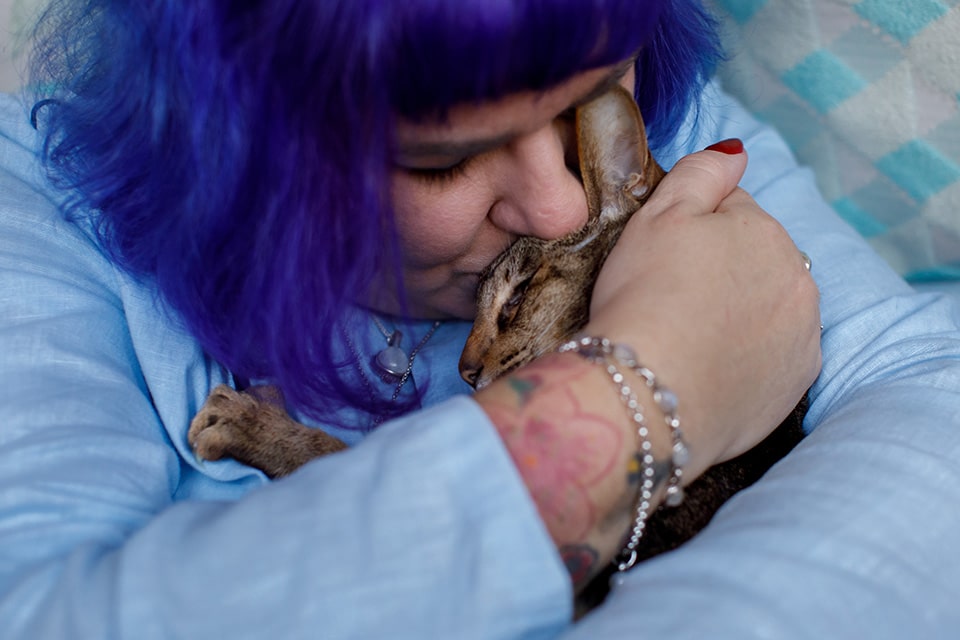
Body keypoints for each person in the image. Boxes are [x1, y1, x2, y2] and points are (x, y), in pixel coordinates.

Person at [0, 0, 956, 638]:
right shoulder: (36, 205)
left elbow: (932, 409)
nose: (560, 210)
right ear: (239, 141)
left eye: (589, 102)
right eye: (440, 160)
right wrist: (644, 394)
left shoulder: (681, 130)